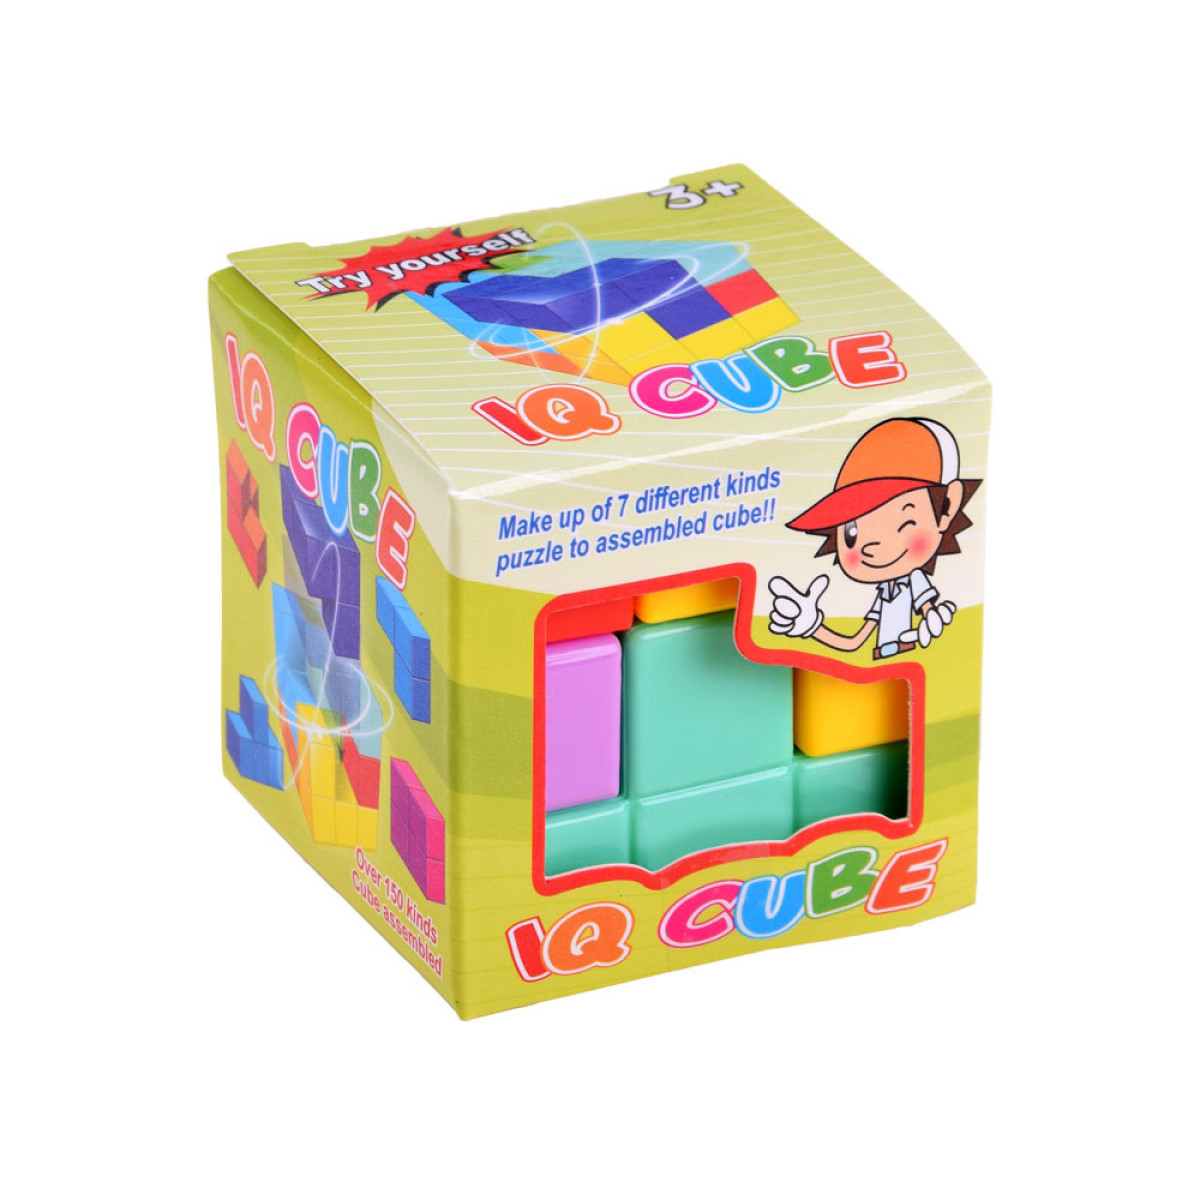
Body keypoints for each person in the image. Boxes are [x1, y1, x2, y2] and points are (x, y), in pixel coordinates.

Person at [768, 418, 980, 659]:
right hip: (881, 659)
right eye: (851, 534)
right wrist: (811, 626)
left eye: (903, 523)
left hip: (913, 655)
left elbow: (929, 611)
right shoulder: (883, 593)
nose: (871, 547)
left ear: (947, 507)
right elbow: (854, 642)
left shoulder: (914, 580)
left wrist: (932, 621)